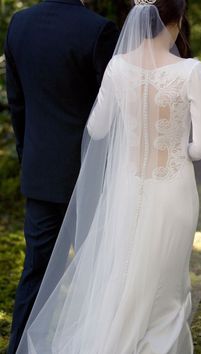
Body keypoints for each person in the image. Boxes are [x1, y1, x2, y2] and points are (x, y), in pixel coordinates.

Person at [15, 0, 201, 353]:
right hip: (173, 192)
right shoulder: (190, 71)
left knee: (122, 272)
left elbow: (97, 126)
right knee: (165, 280)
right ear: (178, 19)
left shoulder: (118, 67)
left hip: (126, 187)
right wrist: (172, 148)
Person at [4, 0, 119, 352]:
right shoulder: (98, 29)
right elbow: (111, 111)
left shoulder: (19, 24)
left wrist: (30, 159)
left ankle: (19, 347)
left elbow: (17, 102)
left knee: (36, 270)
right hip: (87, 176)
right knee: (92, 271)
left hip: (40, 172)